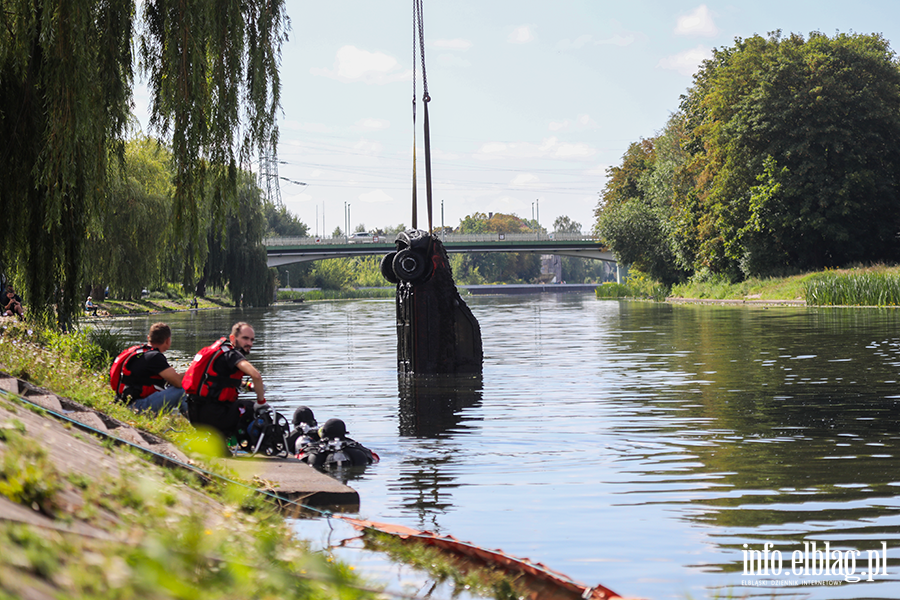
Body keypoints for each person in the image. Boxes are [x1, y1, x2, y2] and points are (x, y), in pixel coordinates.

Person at [187, 322, 268, 443]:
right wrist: (261, 403)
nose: (249, 343)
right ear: (232, 338)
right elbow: (256, 375)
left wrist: (246, 386)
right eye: (245, 338)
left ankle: (221, 440)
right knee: (251, 407)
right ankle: (249, 441)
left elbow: (218, 381)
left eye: (252, 340)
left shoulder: (218, 352)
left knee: (235, 405)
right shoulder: (232, 355)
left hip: (195, 414)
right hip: (214, 416)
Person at [113, 322, 185, 415]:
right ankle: (196, 425)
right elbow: (178, 382)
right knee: (182, 390)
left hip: (122, 402)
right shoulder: (155, 357)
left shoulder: (139, 352)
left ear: (148, 338)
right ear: (167, 341)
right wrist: (193, 372)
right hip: (137, 406)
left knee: (171, 386)